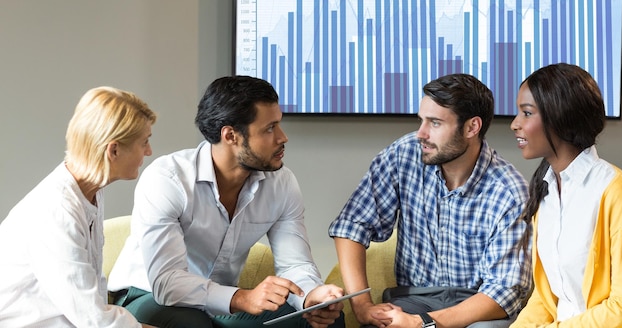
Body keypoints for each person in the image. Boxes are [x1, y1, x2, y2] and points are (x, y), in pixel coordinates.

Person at [108, 75, 345, 328]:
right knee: (192, 324)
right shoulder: (168, 178)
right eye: (269, 128)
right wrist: (242, 297)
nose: (282, 137)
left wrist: (311, 296)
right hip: (149, 295)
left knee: (323, 322)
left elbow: (295, 263)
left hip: (222, 301)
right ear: (231, 135)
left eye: (279, 125)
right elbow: (166, 283)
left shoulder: (281, 183)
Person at [328, 73, 531, 328]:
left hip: (477, 310)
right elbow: (351, 226)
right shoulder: (404, 155)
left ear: (471, 127)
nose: (421, 134)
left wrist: (422, 323)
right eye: (421, 121)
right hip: (412, 299)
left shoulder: (509, 192)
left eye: (434, 123)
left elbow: (503, 292)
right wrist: (363, 306)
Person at [0, 86, 157, 327]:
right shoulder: (56, 211)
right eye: (144, 142)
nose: (149, 151)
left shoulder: (90, 192)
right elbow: (93, 319)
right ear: (113, 150)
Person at [509, 63, 622, 327]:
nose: (515, 124)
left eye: (527, 113)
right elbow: (546, 296)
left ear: (560, 116)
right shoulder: (545, 193)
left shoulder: (615, 191)